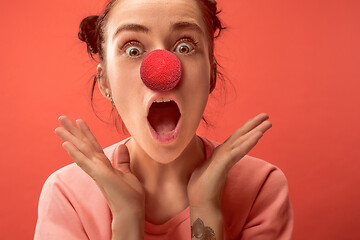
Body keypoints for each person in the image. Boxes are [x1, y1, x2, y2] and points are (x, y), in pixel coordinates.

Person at [34, 0, 294, 239]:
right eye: (133, 50)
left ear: (211, 74)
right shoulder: (67, 194)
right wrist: (126, 219)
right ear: (105, 82)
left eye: (184, 46)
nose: (162, 70)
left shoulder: (260, 187)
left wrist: (206, 208)